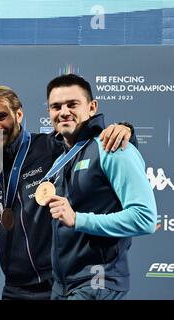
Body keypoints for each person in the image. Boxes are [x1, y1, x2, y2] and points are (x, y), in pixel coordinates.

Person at [0, 84, 135, 300]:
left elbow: (91, 142)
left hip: (58, 284)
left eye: (1, 117)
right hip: (15, 288)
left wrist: (126, 130)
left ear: (18, 114)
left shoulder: (50, 146)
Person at [44, 74, 157, 300]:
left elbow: (145, 218)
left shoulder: (113, 147)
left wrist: (78, 219)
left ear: (92, 107)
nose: (63, 111)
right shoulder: (60, 160)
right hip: (64, 285)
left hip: (97, 282)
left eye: (72, 104)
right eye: (56, 106)